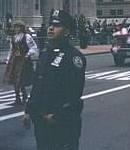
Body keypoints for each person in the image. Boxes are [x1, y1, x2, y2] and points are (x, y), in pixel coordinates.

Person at [23, 9, 86, 150]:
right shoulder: (45, 54)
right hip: (41, 119)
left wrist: (58, 115)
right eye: (50, 25)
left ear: (66, 32)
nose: (51, 28)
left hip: (63, 122)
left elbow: (75, 92)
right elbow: (38, 84)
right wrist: (28, 110)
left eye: (56, 26)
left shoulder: (74, 57)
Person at [3, 20, 38, 104]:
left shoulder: (27, 37)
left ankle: (24, 95)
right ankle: (17, 97)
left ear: (21, 28)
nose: (16, 29)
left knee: (21, 78)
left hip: (23, 59)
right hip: (14, 60)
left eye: (17, 27)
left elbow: (34, 47)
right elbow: (11, 49)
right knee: (15, 78)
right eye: (15, 27)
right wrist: (8, 59)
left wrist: (28, 54)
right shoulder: (14, 37)